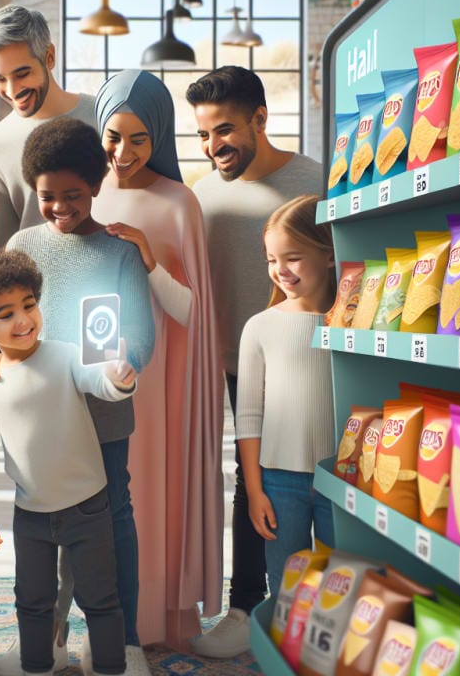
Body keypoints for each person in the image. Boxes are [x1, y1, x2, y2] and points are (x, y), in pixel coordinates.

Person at [0, 116, 155, 676]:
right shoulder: (21, 245)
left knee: (111, 522)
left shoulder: (118, 252)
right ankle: (50, 635)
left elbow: (143, 337)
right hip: (40, 420)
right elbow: (0, 319)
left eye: (74, 196)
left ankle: (121, 639)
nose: (60, 207)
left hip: (104, 415)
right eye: (47, 197)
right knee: (43, 529)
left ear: (98, 185)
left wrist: (124, 358)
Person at [186, 66, 322, 658]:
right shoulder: (200, 193)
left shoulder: (314, 180)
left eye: (226, 130)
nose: (215, 146)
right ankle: (216, 598)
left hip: (284, 355)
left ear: (261, 120)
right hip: (207, 356)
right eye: (204, 135)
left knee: (264, 480)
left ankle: (250, 604)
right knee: (203, 478)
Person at [0, 249, 137, 676]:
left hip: (88, 507)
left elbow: (101, 382)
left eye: (29, 305)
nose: (23, 320)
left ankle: (111, 667)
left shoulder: (67, 354)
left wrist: (119, 377)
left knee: (101, 599)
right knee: (32, 601)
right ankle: (36, 666)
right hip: (31, 514)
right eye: (6, 314)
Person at [92, 70, 223, 650]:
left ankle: (160, 621)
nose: (123, 153)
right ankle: (106, 620)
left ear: (161, 136)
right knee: (102, 498)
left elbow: (195, 314)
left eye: (139, 138)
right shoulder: (85, 194)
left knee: (150, 495)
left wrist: (147, 260)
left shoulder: (179, 204)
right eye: (113, 136)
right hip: (97, 366)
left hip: (161, 378)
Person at [236, 194, 336, 595]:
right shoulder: (259, 327)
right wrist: (255, 490)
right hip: (279, 483)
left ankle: (328, 659)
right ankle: (285, 656)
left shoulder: (353, 323)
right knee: (286, 587)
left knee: (339, 586)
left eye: (292, 258)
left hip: (341, 482)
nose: (280, 271)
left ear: (329, 255)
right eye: (271, 260)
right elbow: (248, 416)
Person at [0, 5, 97, 246]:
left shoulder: (103, 118)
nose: (12, 91)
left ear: (49, 57)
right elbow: (0, 250)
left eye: (22, 74)